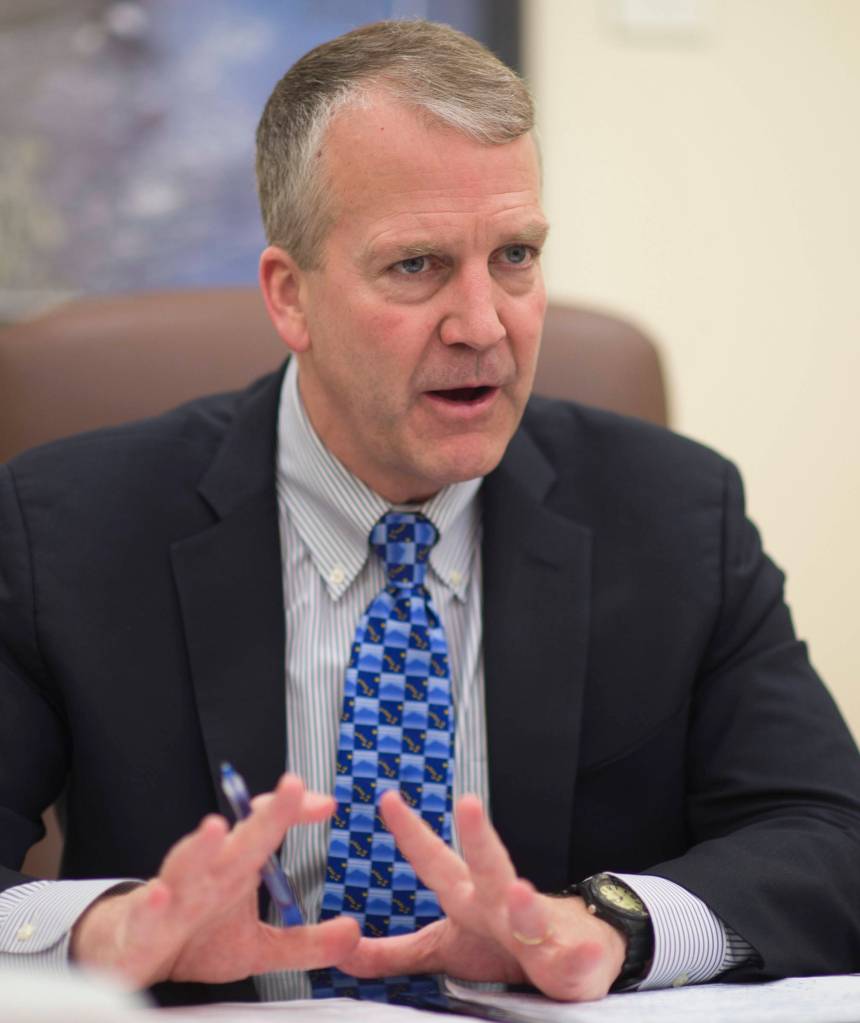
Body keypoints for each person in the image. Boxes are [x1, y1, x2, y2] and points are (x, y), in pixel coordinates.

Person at [1, 19, 859, 1009]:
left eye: (515, 255)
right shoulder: (69, 527)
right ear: (290, 297)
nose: (483, 324)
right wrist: (107, 930)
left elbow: (829, 839)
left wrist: (612, 925)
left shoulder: (676, 518)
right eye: (416, 266)